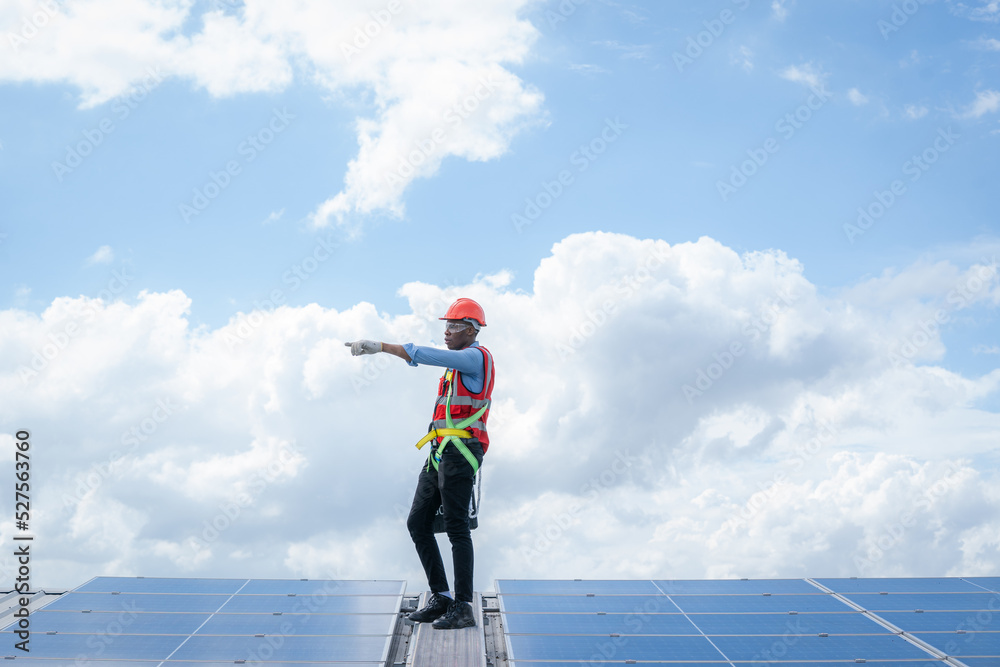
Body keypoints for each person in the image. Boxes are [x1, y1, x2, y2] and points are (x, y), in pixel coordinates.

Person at [344, 298, 495, 630]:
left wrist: (381, 346)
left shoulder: (473, 358)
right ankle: (441, 595)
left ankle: (463, 606)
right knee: (418, 522)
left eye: (454, 326)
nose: (447, 332)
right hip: (440, 450)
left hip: (461, 451)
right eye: (446, 325)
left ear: (471, 330)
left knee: (456, 527)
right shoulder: (457, 365)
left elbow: (426, 354)